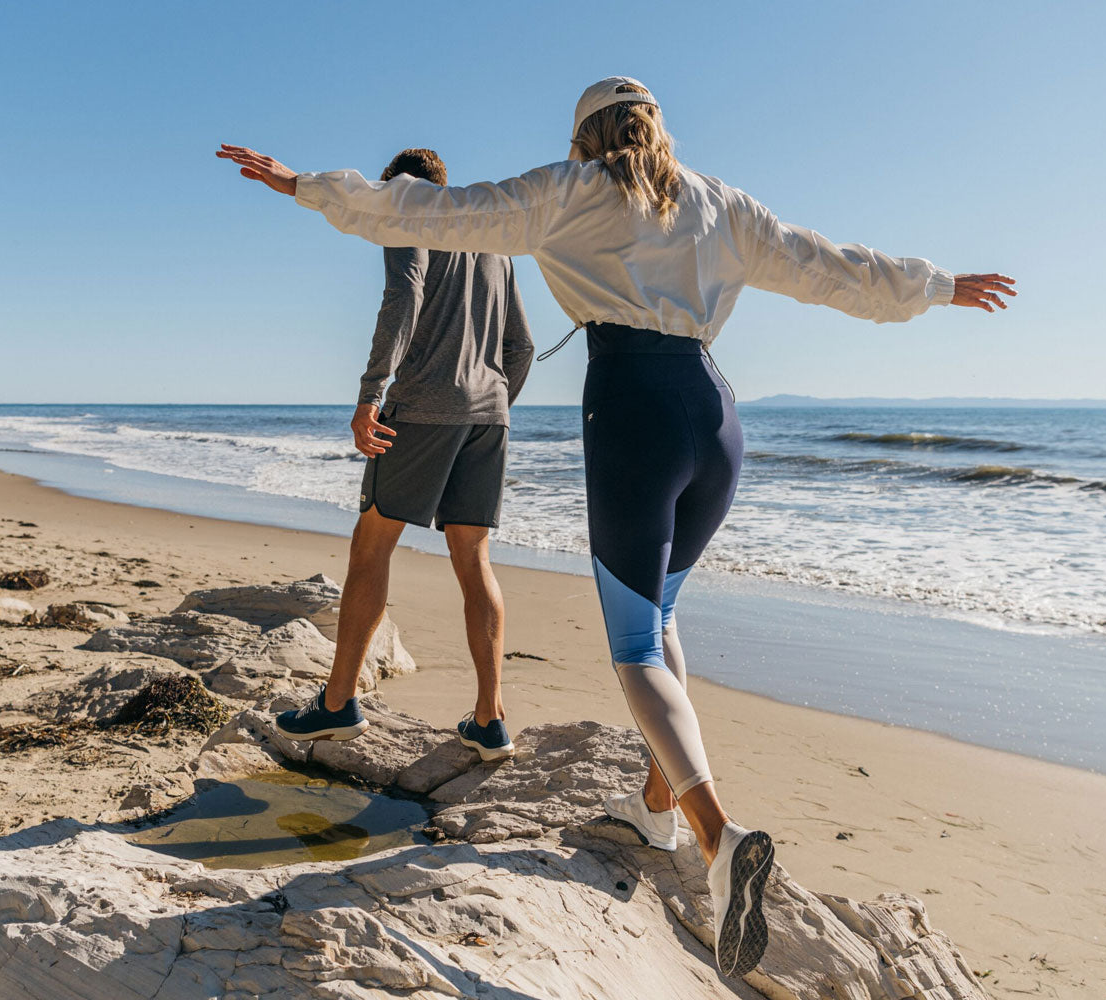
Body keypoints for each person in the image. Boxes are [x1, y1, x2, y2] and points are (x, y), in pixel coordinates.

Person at [217, 76, 1013, 978]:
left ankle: (718, 838)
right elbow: (828, 265)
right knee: (664, 619)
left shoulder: (573, 190)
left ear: (587, 136)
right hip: (716, 418)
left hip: (635, 413)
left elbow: (433, 211)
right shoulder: (720, 202)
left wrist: (304, 186)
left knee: (635, 644)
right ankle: (656, 812)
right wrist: (936, 286)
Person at [270, 147, 535, 764]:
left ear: (396, 187)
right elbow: (520, 346)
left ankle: (338, 704)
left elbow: (404, 297)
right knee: (474, 558)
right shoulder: (491, 240)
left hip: (421, 409)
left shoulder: (406, 213)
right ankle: (490, 720)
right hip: (489, 416)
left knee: (372, 545)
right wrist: (488, 403)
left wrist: (371, 394)